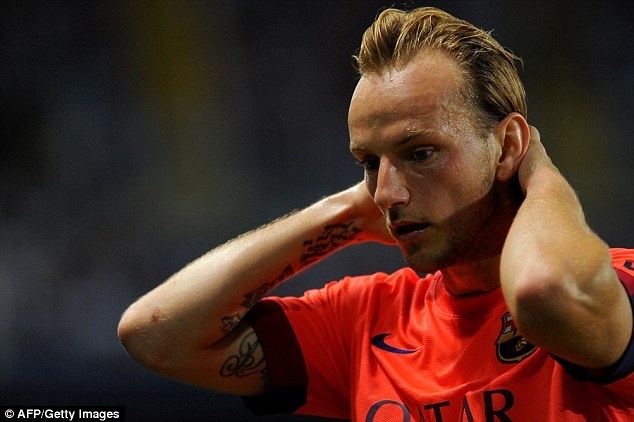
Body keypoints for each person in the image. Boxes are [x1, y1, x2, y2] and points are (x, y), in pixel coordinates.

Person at [118, 6, 634, 421]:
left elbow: (544, 291)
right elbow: (154, 334)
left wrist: (541, 174)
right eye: (368, 163)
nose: (386, 192)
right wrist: (345, 209)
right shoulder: (367, 322)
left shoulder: (620, 285)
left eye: (420, 153)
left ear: (507, 147)